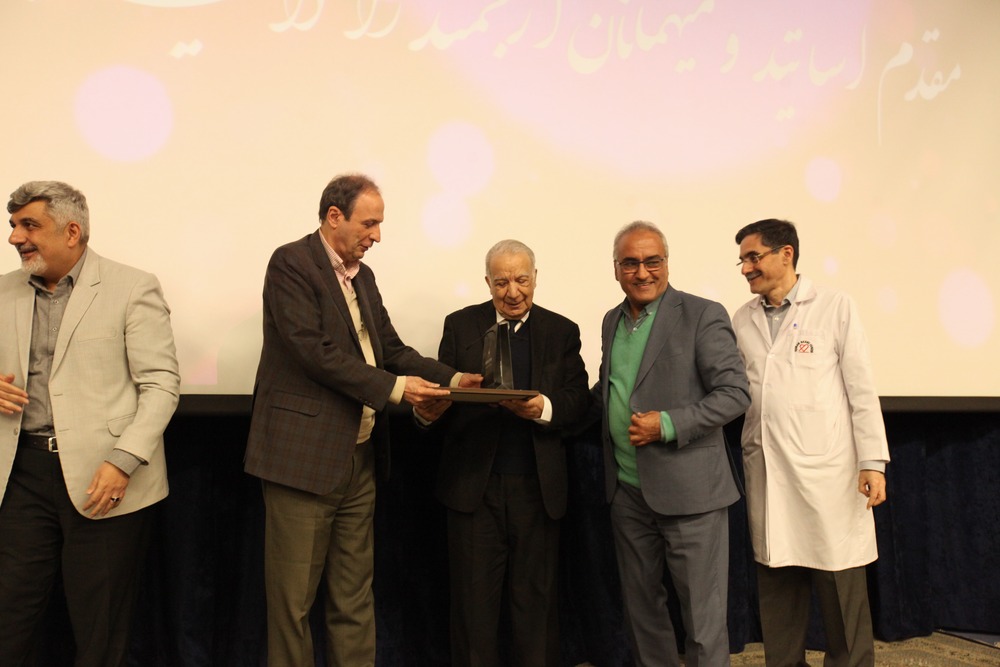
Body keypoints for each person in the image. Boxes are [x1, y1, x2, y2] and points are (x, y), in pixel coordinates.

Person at [244, 173, 480, 667]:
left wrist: (455, 379)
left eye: (379, 224)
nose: (377, 235)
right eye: (369, 224)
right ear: (335, 217)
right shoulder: (291, 263)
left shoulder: (363, 277)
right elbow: (314, 351)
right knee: (292, 606)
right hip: (301, 462)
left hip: (360, 459)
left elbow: (390, 349)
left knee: (354, 599)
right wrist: (396, 389)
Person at [0, 181, 180, 666]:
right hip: (20, 475)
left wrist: (123, 462)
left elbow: (161, 384)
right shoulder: (2, 290)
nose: (15, 237)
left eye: (29, 225)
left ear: (72, 231)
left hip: (105, 479)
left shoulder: (132, 286)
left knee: (100, 632)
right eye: (13, 225)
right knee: (8, 620)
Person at [414, 239, 590, 666]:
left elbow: (579, 401)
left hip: (538, 491)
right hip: (474, 491)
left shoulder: (562, 331)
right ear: (487, 282)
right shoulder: (460, 326)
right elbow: (443, 399)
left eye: (522, 280)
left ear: (536, 278)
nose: (513, 292)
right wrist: (426, 414)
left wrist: (542, 408)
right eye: (502, 282)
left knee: (536, 610)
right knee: (472, 612)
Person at [732, 218, 889, 667]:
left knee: (841, 587)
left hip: (830, 475)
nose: (746, 268)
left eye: (753, 257)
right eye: (742, 260)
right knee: (778, 590)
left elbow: (861, 389)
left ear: (786, 253)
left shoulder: (835, 306)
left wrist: (872, 461)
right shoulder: (741, 319)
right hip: (768, 472)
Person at [593, 221, 750, 667]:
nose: (642, 272)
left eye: (652, 261)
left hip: (691, 495)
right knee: (642, 612)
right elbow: (612, 391)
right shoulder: (612, 320)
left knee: (702, 619)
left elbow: (735, 394)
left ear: (666, 263)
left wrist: (666, 424)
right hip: (628, 492)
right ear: (616, 268)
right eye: (630, 263)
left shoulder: (702, 314)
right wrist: (548, 405)